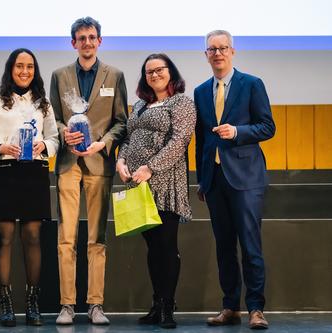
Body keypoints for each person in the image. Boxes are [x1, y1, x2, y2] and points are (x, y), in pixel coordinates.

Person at [194, 30, 275, 330]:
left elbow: (268, 127)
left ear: (232, 51)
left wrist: (238, 132)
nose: (217, 53)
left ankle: (255, 308)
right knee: (224, 247)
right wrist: (203, 180)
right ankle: (230, 306)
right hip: (215, 180)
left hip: (247, 179)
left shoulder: (252, 84)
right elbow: (201, 139)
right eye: (211, 49)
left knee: (250, 246)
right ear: (206, 55)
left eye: (222, 48)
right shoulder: (201, 91)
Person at [50, 16, 128, 325]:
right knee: (66, 238)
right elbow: (51, 118)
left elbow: (122, 121)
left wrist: (103, 144)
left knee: (97, 238)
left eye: (91, 37)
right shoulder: (59, 75)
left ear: (99, 41)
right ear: (73, 43)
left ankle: (96, 304)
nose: (87, 42)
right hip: (69, 163)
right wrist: (62, 132)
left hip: (99, 162)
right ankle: (67, 305)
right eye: (81, 38)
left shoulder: (115, 75)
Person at [0, 48, 59, 327]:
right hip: (3, 173)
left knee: (34, 235)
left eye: (30, 67)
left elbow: (55, 139)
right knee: (5, 236)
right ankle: (6, 302)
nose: (25, 71)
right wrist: (1, 147)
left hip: (34, 173)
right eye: (20, 66)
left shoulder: (43, 102)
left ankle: (32, 303)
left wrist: (44, 146)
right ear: (11, 69)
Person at [116, 53, 196, 329]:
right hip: (138, 185)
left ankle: (167, 307)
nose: (154, 75)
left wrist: (150, 167)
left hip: (165, 183)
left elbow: (180, 141)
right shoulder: (139, 105)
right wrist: (121, 160)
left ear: (170, 72)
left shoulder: (181, 103)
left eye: (159, 69)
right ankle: (157, 302)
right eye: (148, 71)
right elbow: (128, 138)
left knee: (166, 247)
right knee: (152, 249)